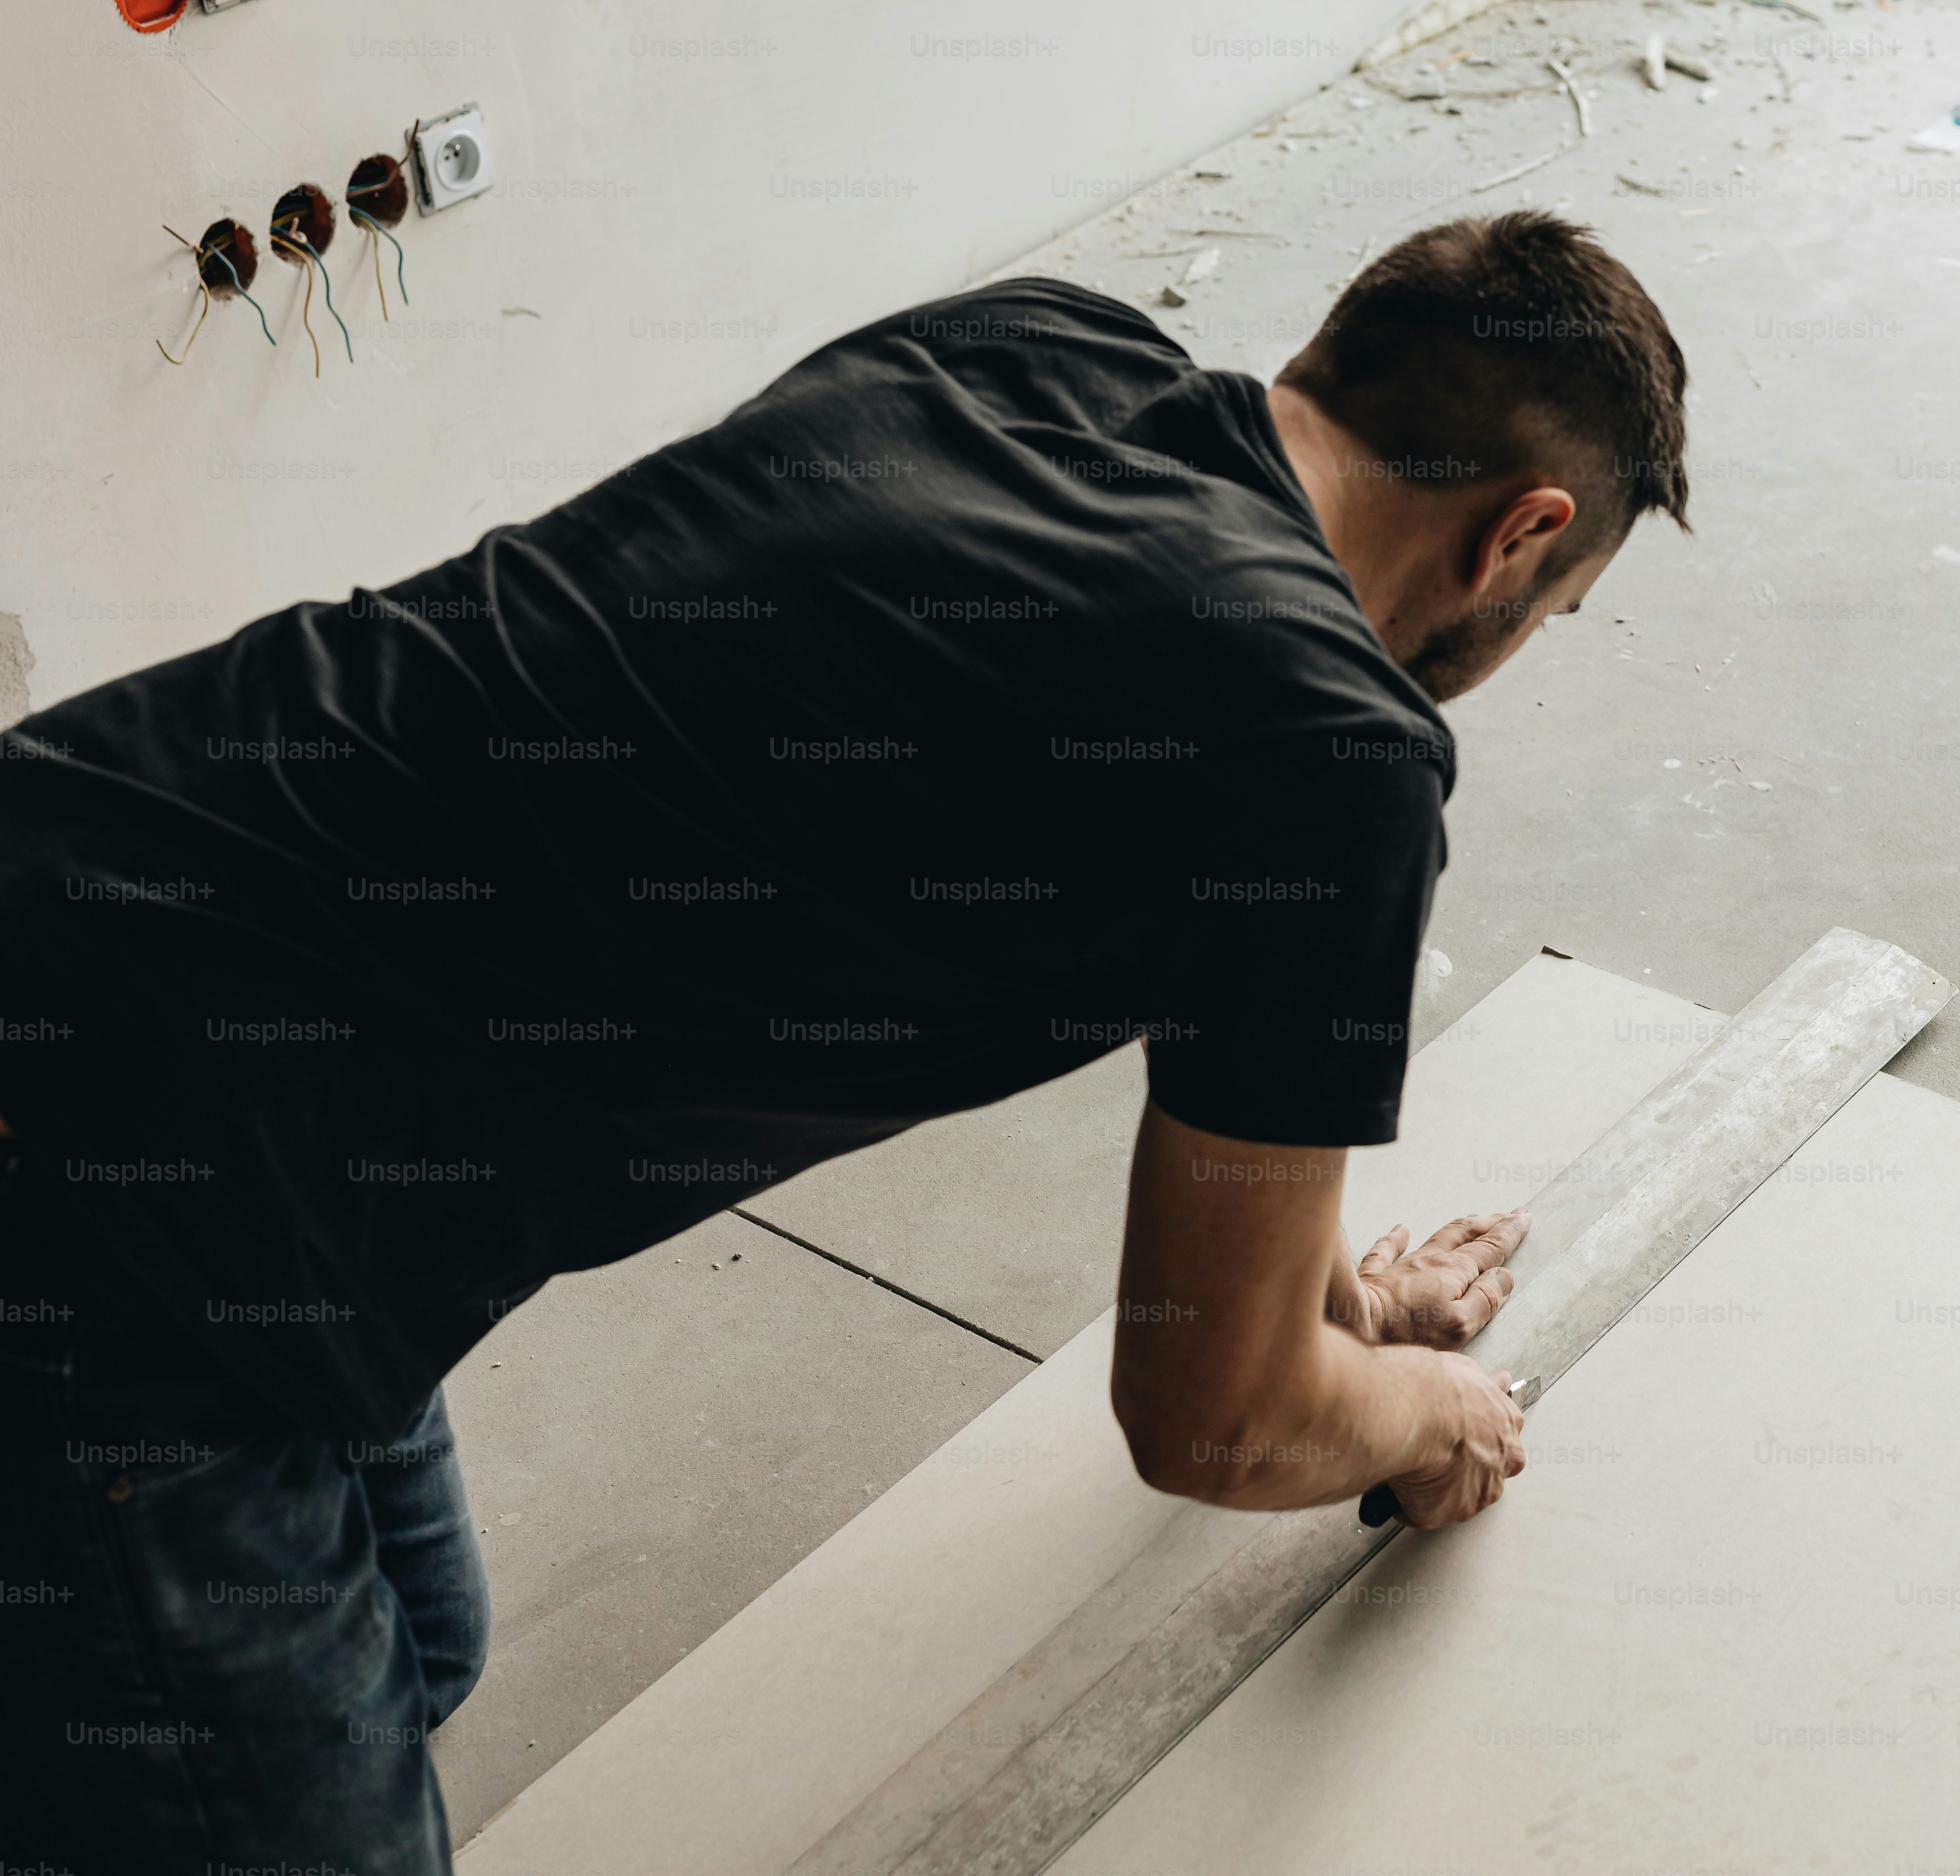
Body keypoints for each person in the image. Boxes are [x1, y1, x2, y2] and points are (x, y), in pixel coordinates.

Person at [0, 209, 1689, 1871]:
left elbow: (1219, 998)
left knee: (419, 1652)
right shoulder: (1330, 756)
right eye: (1563, 603)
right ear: (1523, 535)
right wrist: (1426, 1417)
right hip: (119, 1211)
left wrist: (1342, 1309)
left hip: (107, 868)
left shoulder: (1032, 350)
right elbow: (1218, 1422)